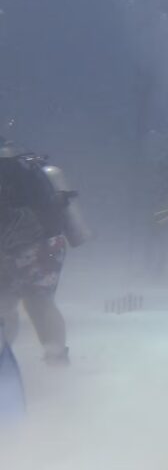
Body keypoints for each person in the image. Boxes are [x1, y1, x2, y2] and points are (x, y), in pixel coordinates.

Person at [0, 137, 89, 365]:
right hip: (48, 240)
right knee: (36, 301)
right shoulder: (20, 163)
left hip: (29, 244)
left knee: (25, 302)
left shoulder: (10, 169)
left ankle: (12, 361)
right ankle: (55, 358)